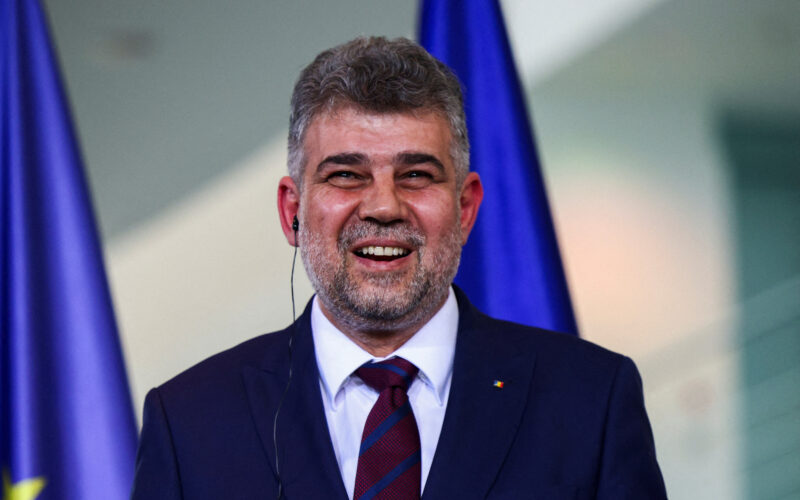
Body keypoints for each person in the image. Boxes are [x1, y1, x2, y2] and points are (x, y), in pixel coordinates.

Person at [131, 36, 667, 500]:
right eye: (346, 175)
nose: (384, 207)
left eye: (416, 175)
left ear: (465, 208)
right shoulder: (190, 421)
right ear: (292, 210)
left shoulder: (590, 399)